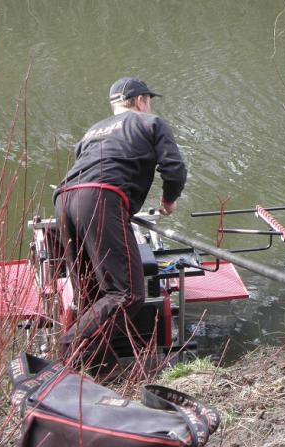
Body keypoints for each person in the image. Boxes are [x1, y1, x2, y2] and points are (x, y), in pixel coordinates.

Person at [53, 76, 187, 377]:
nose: (149, 105)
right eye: (148, 100)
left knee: (91, 293)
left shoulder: (91, 132)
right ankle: (68, 347)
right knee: (126, 293)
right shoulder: (149, 122)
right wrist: (168, 201)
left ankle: (102, 371)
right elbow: (174, 169)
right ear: (140, 101)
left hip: (64, 200)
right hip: (101, 197)